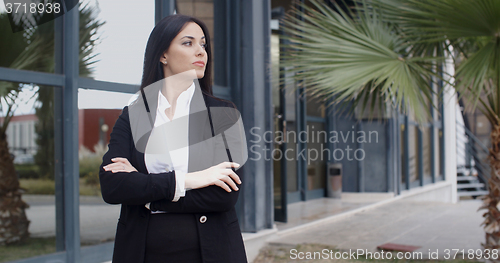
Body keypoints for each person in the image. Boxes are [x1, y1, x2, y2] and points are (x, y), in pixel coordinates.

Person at [99, 14, 248, 263]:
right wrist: (191, 180)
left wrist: (146, 192)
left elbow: (224, 195)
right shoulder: (133, 115)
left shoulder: (223, 114)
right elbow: (113, 187)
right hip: (141, 253)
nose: (200, 51)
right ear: (163, 55)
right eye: (188, 43)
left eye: (203, 44)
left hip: (210, 253)